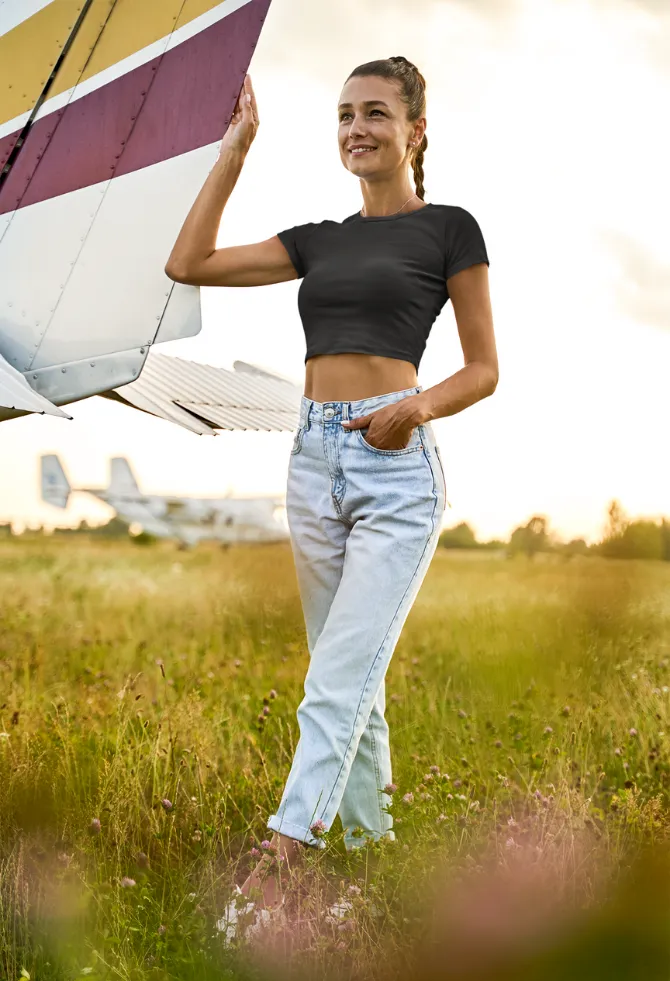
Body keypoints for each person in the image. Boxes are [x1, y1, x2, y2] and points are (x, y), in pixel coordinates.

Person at [165, 57, 497, 930]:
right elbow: (186, 260)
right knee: (350, 681)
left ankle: (280, 862)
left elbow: (484, 368)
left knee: (337, 680)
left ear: (415, 129)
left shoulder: (451, 231)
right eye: (346, 113)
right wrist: (235, 151)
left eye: (377, 113)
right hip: (312, 461)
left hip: (395, 469)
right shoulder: (318, 238)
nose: (358, 127)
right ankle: (367, 861)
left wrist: (413, 407)